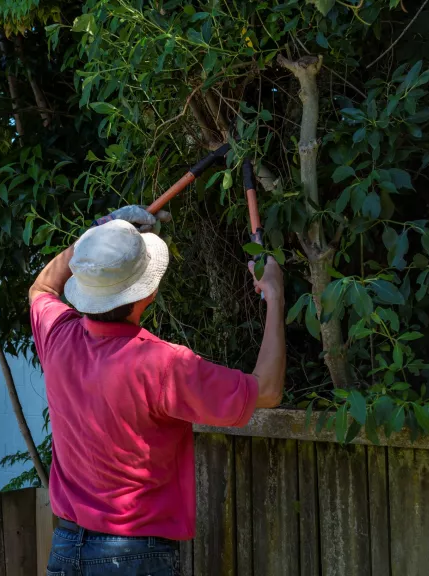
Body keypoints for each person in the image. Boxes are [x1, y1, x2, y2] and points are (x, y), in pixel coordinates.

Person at [28, 205, 286, 575]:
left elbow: (42, 287)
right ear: (148, 292)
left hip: (67, 550)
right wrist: (275, 295)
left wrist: (96, 236)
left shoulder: (58, 337)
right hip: (136, 556)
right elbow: (269, 390)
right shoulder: (164, 365)